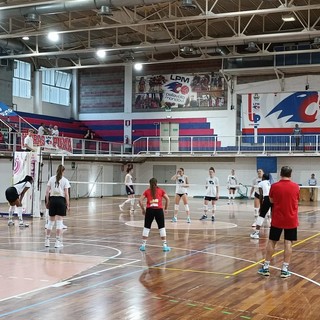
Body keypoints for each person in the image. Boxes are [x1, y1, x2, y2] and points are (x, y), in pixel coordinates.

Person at [258, 166, 299, 278]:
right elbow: (297, 199)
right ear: (291, 174)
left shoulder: (274, 186)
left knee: (272, 241)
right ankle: (285, 269)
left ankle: (266, 267)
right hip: (291, 219)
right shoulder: (296, 187)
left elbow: (271, 200)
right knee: (288, 242)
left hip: (278, 219)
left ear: (280, 174)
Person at [138, 177, 170, 252]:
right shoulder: (161, 191)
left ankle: (143, 245)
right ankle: (165, 246)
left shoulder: (147, 191)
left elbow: (140, 200)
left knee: (146, 227)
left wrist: (143, 209)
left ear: (149, 183)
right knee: (161, 227)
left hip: (149, 210)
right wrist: (166, 208)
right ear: (156, 183)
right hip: (159, 210)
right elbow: (168, 199)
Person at [45, 164, 70, 248]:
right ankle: (57, 242)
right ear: (63, 171)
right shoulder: (65, 180)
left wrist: (47, 202)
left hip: (52, 200)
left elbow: (47, 192)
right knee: (59, 223)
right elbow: (66, 194)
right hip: (61, 201)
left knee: (50, 222)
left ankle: (47, 241)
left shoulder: (51, 179)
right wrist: (68, 204)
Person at [250, 173, 272, 239]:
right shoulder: (269, 183)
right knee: (272, 215)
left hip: (266, 198)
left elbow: (261, 195)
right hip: (273, 198)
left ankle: (256, 233)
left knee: (261, 215)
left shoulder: (261, 183)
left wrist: (261, 205)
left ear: (263, 178)